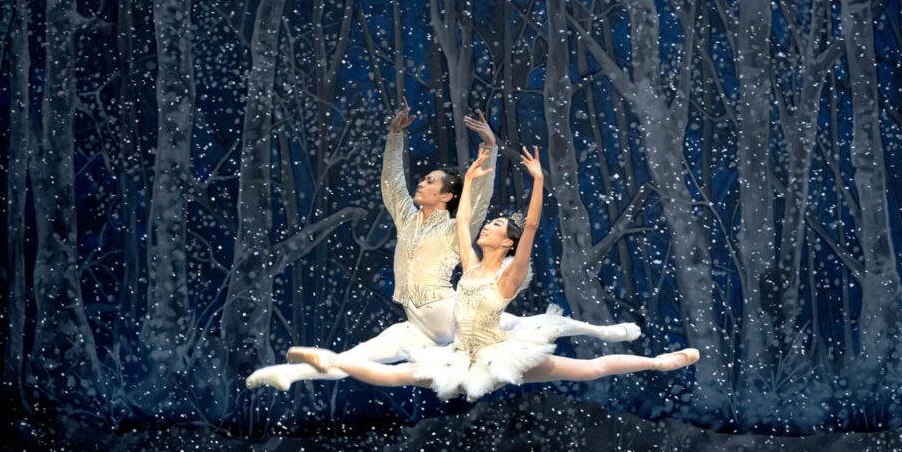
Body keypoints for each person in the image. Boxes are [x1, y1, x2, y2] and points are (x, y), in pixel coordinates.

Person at [246, 99, 639, 391]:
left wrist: (491, 149)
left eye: (431, 181)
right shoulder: (406, 217)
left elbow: (479, 199)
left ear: (449, 196)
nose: (422, 183)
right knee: (357, 358)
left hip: (446, 311)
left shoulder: (455, 228)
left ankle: (603, 333)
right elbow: (391, 185)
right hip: (415, 319)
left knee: (527, 325)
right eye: (425, 179)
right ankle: (290, 374)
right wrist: (395, 136)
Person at [285, 146, 700, 401]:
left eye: (498, 226)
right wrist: (469, 178)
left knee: (591, 370)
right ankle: (327, 360)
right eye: (492, 223)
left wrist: (538, 182)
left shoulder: (509, 276)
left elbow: (531, 227)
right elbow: (463, 218)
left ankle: (658, 363)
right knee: (394, 376)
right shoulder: (468, 264)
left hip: (500, 355)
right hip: (458, 356)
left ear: (508, 245)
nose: (490, 226)